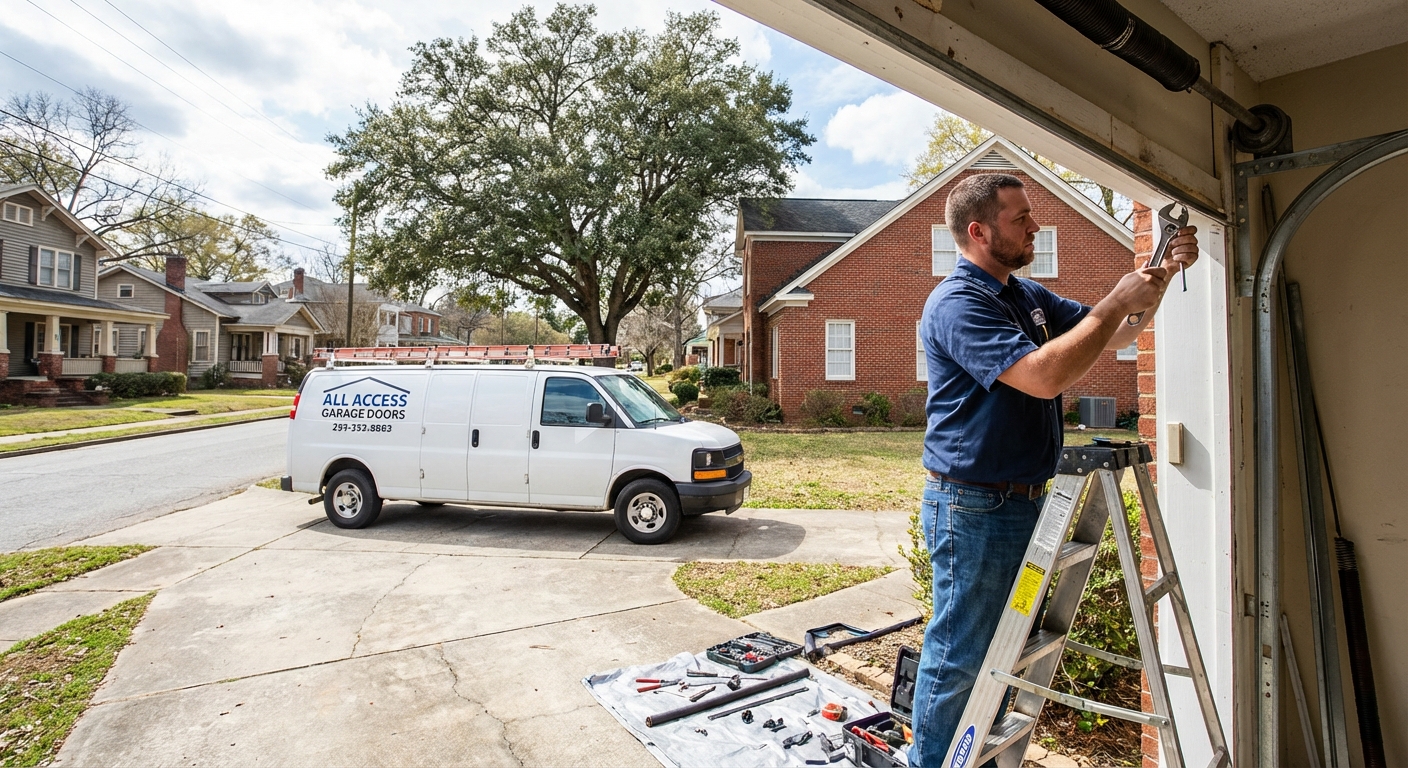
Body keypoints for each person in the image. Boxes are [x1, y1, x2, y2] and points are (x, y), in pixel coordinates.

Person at [910, 173, 1198, 767]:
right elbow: (1043, 376)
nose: (1035, 226)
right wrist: (1119, 298)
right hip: (972, 505)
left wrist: (1159, 274)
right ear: (978, 231)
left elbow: (1115, 332)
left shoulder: (1026, 296)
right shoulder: (959, 301)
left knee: (1001, 656)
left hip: (1020, 501)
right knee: (959, 656)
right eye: (1020, 218)